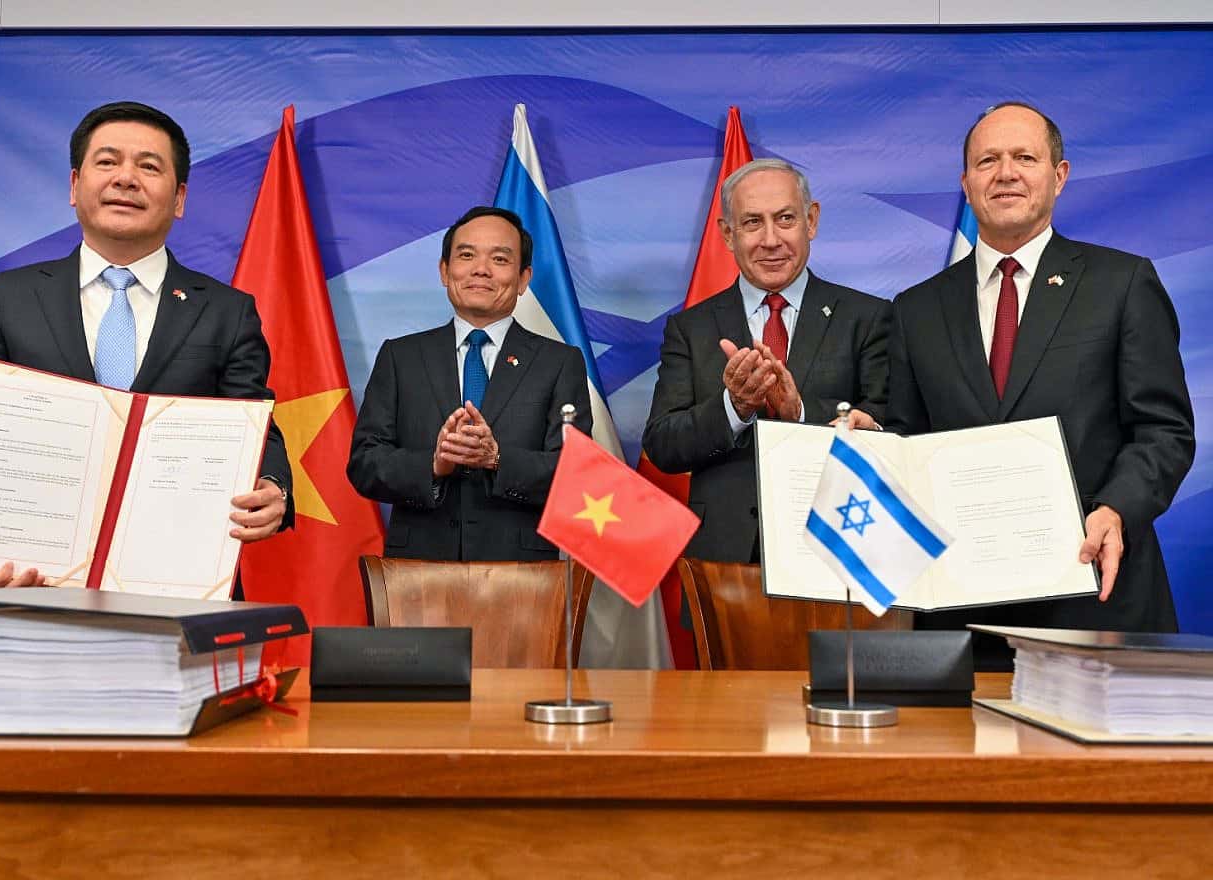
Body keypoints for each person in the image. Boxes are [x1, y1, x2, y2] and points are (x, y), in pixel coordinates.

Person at [887, 102, 1195, 663]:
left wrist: (1116, 509)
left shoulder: (1122, 283)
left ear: (1059, 175)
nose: (1005, 173)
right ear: (965, 181)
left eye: (1024, 157)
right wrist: (871, 441)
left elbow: (1165, 431)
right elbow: (907, 441)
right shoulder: (915, 310)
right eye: (988, 160)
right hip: (963, 617)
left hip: (1095, 599)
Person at [0, 101, 294, 587]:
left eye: (149, 166)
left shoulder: (226, 311)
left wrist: (274, 486)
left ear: (179, 198)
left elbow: (256, 425)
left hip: (179, 585)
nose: (126, 178)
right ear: (74, 186)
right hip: (35, 581)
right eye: (107, 162)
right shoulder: (10, 299)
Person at [642, 159, 891, 563]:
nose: (771, 239)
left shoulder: (868, 317)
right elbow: (662, 445)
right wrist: (734, 408)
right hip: (726, 561)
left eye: (786, 219)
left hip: (841, 551)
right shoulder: (692, 328)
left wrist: (801, 412)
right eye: (753, 222)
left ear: (811, 221)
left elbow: (894, 426)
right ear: (728, 233)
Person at [347, 206, 591, 560]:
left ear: (523, 279)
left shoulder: (559, 362)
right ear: (445, 271)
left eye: (500, 259)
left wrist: (497, 459)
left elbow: (574, 473)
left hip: (523, 575)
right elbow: (364, 464)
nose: (481, 269)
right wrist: (433, 464)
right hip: (416, 571)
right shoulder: (400, 357)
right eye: (466, 255)